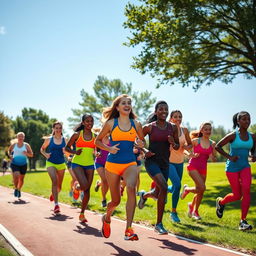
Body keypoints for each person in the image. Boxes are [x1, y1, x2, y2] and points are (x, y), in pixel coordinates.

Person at [95, 94, 145, 241]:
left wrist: (141, 145)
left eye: (129, 103)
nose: (127, 105)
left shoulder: (137, 124)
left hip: (130, 162)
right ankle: (107, 217)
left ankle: (128, 229)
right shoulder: (111, 123)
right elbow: (97, 141)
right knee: (115, 201)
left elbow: (142, 142)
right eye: (123, 103)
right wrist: (109, 149)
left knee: (131, 188)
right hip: (112, 165)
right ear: (117, 107)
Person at [138, 101, 179, 234]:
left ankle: (144, 196)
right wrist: (144, 150)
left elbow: (177, 146)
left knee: (157, 192)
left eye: (166, 109)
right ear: (156, 112)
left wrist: (173, 143)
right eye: (160, 109)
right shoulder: (149, 127)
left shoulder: (172, 127)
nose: (164, 111)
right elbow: (137, 140)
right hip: (151, 161)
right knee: (163, 186)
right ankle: (159, 224)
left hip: (165, 163)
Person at [215, 111, 256, 231]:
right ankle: (221, 202)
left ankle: (243, 221)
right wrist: (230, 157)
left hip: (245, 167)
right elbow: (218, 146)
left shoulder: (252, 136)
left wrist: (254, 155)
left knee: (247, 190)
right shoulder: (233, 135)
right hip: (232, 168)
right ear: (238, 121)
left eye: (248, 119)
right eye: (244, 119)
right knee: (237, 195)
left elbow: (254, 148)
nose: (247, 121)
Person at [180, 122, 216, 220]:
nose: (208, 131)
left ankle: (194, 210)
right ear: (201, 130)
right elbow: (185, 149)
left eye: (209, 129)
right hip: (193, 166)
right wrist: (190, 154)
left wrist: (212, 156)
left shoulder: (212, 143)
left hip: (203, 168)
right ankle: (186, 190)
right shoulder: (196, 141)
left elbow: (214, 159)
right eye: (206, 129)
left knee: (200, 191)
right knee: (202, 187)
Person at [65, 114, 96, 223]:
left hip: (90, 164)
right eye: (87, 121)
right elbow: (67, 147)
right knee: (85, 186)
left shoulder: (95, 136)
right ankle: (76, 188)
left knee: (87, 190)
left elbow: (98, 149)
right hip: (77, 163)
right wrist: (75, 152)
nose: (89, 123)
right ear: (83, 123)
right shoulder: (77, 135)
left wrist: (98, 154)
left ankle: (82, 213)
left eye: (91, 121)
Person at [167, 110, 192, 223]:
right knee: (177, 185)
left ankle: (159, 189)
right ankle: (173, 212)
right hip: (168, 162)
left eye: (180, 117)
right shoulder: (167, 130)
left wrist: (187, 147)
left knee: (174, 187)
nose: (178, 119)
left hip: (180, 162)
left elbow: (189, 144)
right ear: (171, 118)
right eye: (175, 117)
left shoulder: (185, 130)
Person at [40, 121, 67, 214]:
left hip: (61, 164)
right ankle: (56, 205)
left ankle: (53, 194)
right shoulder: (49, 139)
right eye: (56, 128)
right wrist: (45, 154)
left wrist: (66, 153)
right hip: (50, 163)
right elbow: (42, 149)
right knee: (54, 181)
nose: (58, 130)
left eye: (60, 128)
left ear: (62, 129)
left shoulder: (65, 140)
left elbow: (67, 153)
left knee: (59, 187)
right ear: (53, 129)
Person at [8, 132, 33, 198]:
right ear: (17, 137)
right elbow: (9, 150)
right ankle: (16, 188)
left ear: (24, 138)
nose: (20, 138)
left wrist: (26, 153)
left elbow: (31, 154)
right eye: (19, 136)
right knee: (16, 175)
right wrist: (10, 155)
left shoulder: (26, 145)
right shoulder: (14, 145)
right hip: (15, 163)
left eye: (22, 136)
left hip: (23, 164)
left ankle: (19, 189)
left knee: (21, 179)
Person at [94, 130, 110, 208]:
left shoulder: (111, 140)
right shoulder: (98, 139)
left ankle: (98, 184)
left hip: (108, 163)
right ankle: (103, 199)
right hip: (99, 162)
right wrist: (96, 153)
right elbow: (95, 150)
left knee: (107, 182)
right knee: (105, 180)